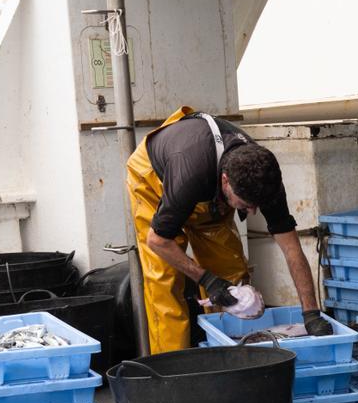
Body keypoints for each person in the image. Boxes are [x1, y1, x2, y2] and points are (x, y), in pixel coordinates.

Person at [126, 106, 332, 354]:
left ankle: (228, 354)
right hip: (154, 178)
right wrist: (205, 279)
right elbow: (157, 240)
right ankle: (172, 368)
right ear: (225, 181)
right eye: (246, 206)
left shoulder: (266, 179)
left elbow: (291, 248)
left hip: (208, 188)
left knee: (233, 279)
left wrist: (311, 312)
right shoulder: (189, 175)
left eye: (257, 206)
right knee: (165, 281)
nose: (253, 212)